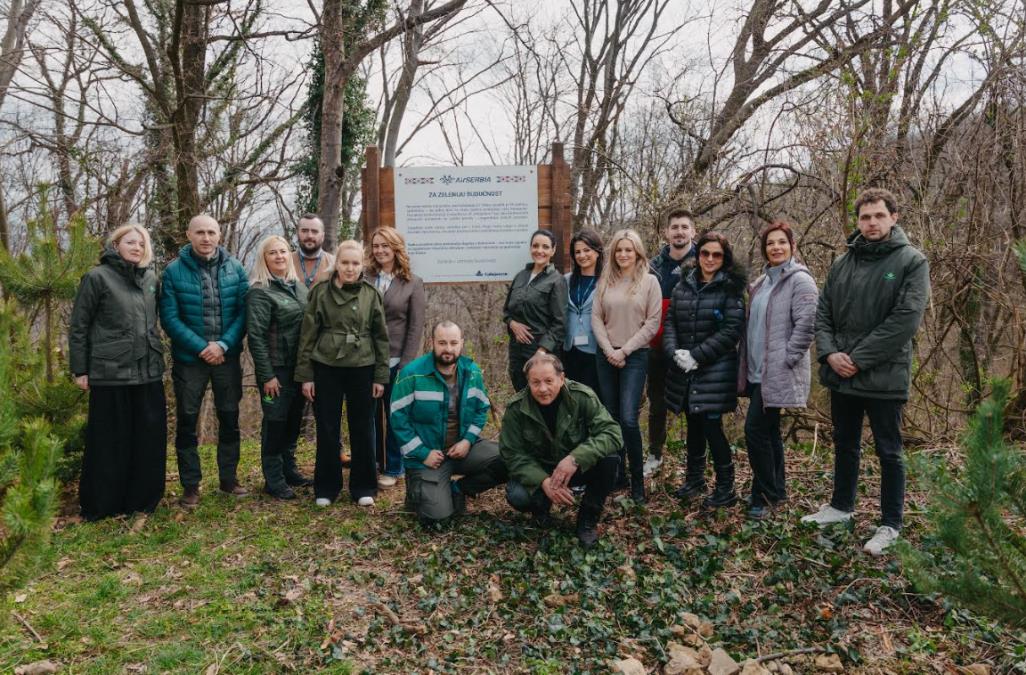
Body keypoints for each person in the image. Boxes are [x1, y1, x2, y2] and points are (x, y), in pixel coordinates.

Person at [802, 188, 930, 556]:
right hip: (841, 374)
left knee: (889, 451)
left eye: (878, 216)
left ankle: (890, 523)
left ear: (894, 218)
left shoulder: (911, 262)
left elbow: (904, 321)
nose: (871, 223)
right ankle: (841, 507)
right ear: (857, 221)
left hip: (883, 376)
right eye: (865, 217)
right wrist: (829, 354)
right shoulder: (843, 263)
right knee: (845, 443)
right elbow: (822, 313)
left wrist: (856, 358)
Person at [69, 224, 167, 520]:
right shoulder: (97, 278)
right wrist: (80, 369)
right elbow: (79, 326)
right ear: (116, 244)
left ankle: (141, 502)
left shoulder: (151, 278)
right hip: (110, 371)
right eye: (130, 242)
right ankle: (102, 504)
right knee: (109, 441)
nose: (136, 247)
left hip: (148, 371)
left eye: (141, 243)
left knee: (147, 439)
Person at [160, 214, 249, 507]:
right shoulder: (173, 272)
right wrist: (202, 347)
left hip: (227, 356)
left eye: (211, 232)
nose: (206, 238)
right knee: (187, 421)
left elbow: (243, 314)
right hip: (190, 359)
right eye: (200, 232)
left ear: (220, 235)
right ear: (189, 234)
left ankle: (228, 479)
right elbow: (170, 318)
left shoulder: (236, 269)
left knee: (229, 417)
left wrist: (222, 344)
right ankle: (190, 485)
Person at [295, 240, 390, 507]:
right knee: (327, 428)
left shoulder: (371, 294)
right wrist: (306, 376)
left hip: (363, 366)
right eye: (345, 263)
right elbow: (308, 336)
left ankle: (363, 487)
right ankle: (326, 487)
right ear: (336, 263)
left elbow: (381, 338)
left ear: (363, 265)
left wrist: (380, 376)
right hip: (327, 366)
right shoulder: (321, 293)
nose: (350, 268)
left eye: (355, 263)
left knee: (363, 428)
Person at [390, 321, 507, 524]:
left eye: (454, 343)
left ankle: (458, 489)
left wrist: (468, 441)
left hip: (462, 450)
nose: (448, 349)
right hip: (428, 456)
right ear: (432, 343)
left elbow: (481, 409)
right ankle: (417, 490)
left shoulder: (472, 372)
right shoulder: (412, 374)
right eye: (442, 343)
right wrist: (422, 453)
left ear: (461, 343)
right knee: (437, 518)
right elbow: (397, 417)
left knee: (510, 458)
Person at [501, 353, 622, 547]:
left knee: (609, 459)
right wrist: (543, 481)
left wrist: (575, 458)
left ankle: (587, 521)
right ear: (528, 383)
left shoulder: (582, 396)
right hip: (542, 471)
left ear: (562, 378)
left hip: (575, 468)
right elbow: (512, 453)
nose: (543, 389)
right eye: (536, 382)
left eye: (549, 381)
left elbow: (612, 433)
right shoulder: (516, 408)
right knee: (518, 495)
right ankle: (541, 509)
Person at [739, 221, 817, 519]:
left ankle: (766, 494)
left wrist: (787, 359)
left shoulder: (800, 281)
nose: (776, 247)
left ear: (792, 246)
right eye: (770, 243)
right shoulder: (761, 283)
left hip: (778, 371)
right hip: (758, 370)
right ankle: (775, 490)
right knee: (769, 432)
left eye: (781, 242)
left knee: (754, 430)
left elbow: (807, 324)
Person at [663, 231, 746, 508]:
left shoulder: (730, 288)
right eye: (705, 253)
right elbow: (671, 322)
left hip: (715, 370)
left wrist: (697, 356)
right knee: (694, 424)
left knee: (712, 426)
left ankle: (726, 487)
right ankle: (695, 479)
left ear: (725, 259)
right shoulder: (682, 285)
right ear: (697, 256)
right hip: (684, 368)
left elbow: (731, 331)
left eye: (717, 255)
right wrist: (674, 352)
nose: (710, 259)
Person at [591, 229, 661, 503]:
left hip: (635, 356)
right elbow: (596, 318)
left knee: (629, 418)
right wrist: (609, 350)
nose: (623, 255)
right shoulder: (605, 281)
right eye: (618, 250)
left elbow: (652, 323)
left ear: (637, 253)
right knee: (610, 417)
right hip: (606, 355)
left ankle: (636, 483)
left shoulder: (650, 282)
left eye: (628, 250)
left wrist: (625, 350)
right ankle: (616, 475)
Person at [247, 235, 312, 500]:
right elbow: (256, 337)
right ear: (264, 258)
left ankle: (289, 469)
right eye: (272, 253)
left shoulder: (299, 288)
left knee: (293, 421)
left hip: (299, 369)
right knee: (275, 422)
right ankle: (273, 479)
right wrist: (267, 376)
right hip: (276, 370)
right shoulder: (260, 292)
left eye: (283, 251)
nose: (279, 257)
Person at [364, 227, 426, 490]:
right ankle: (370, 464)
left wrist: (406, 365)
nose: (380, 250)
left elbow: (416, 326)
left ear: (396, 248)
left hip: (397, 358)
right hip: (365, 358)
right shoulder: (363, 277)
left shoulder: (413, 282)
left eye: (385, 246)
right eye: (376, 246)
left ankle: (393, 466)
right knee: (368, 415)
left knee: (395, 415)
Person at [645, 208, 698, 477]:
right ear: (666, 232)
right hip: (656, 346)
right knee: (657, 402)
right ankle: (655, 454)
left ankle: (695, 461)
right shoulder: (653, 265)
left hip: (690, 345)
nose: (679, 231)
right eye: (674, 227)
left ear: (693, 231)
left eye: (684, 227)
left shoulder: (705, 260)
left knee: (692, 403)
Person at [502, 229, 567, 391]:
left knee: (542, 394)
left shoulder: (556, 281)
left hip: (541, 351)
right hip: (517, 350)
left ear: (553, 250)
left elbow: (560, 323)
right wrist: (512, 324)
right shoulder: (521, 276)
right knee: (521, 393)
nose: (539, 250)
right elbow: (506, 312)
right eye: (535, 246)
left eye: (545, 247)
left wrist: (542, 351)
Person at [563, 229, 603, 395]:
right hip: (569, 347)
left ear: (597, 251)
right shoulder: (566, 279)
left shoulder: (607, 280)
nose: (582, 255)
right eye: (577, 252)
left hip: (596, 348)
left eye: (587, 250)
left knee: (592, 397)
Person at [293, 214, 335, 288]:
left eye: (314, 231)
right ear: (297, 234)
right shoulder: (285, 261)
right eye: (304, 231)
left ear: (322, 236)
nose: (309, 236)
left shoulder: (334, 263)